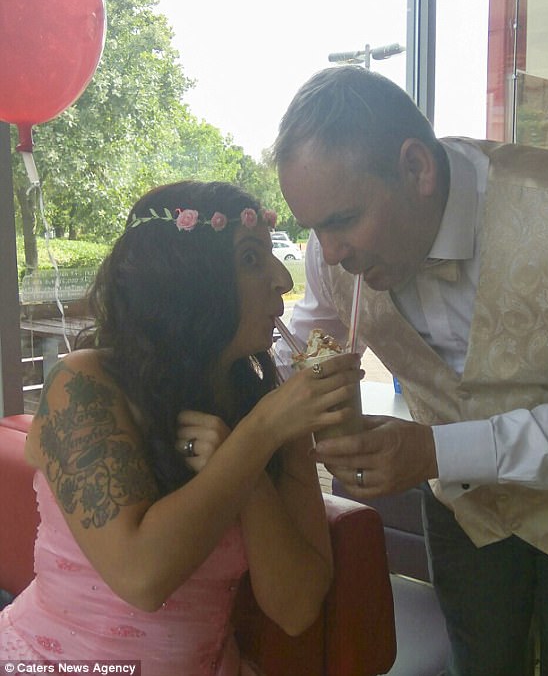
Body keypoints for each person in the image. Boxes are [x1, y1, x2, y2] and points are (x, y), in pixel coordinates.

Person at [273, 66, 548, 676]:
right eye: (314, 228)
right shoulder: (331, 255)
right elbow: (306, 347)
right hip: (465, 516)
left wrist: (435, 451)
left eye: (341, 221)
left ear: (418, 169)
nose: (328, 252)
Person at [0, 180, 362, 675]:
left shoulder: (271, 411)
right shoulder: (83, 383)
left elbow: (296, 609)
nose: (282, 278)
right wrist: (256, 436)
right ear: (186, 281)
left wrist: (248, 467)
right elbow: (142, 577)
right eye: (251, 259)